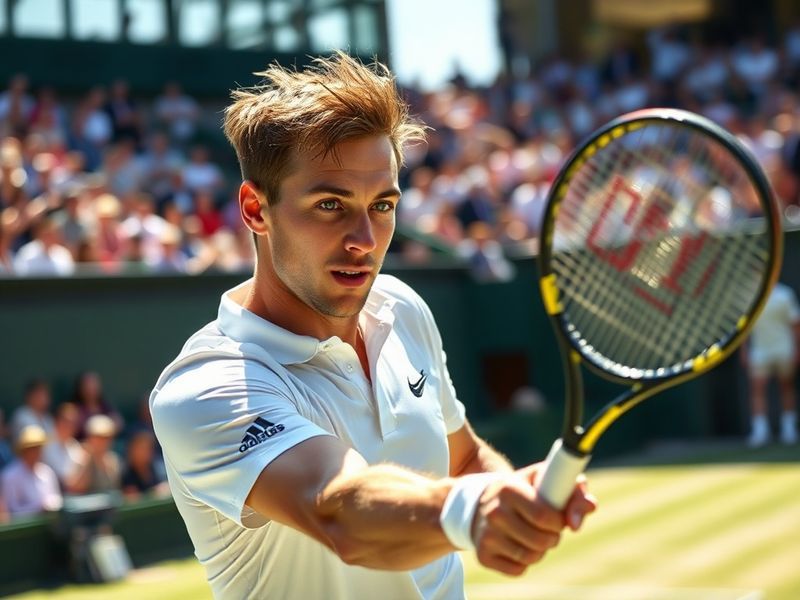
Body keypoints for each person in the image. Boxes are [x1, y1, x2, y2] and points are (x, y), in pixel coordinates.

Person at [150, 52, 596, 600]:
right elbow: (340, 507)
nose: (364, 238)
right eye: (330, 204)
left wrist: (509, 494)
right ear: (255, 210)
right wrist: (471, 512)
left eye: (382, 205)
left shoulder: (402, 307)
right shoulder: (204, 387)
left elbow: (463, 458)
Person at [742, 281, 800, 447]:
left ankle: (789, 430)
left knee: (786, 387)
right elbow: (744, 327)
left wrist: (797, 349)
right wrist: (744, 350)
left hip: (784, 349)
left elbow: (795, 325)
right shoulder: (750, 295)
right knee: (757, 389)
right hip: (759, 351)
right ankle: (760, 432)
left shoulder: (785, 294)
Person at [1, 425, 63, 518]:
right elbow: (11, 511)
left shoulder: (47, 472)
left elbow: (57, 500)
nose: (36, 452)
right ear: (23, 450)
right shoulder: (10, 476)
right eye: (32, 448)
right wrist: (38, 507)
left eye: (39, 447)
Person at [72, 414, 122, 494]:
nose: (103, 442)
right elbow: (76, 488)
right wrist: (89, 460)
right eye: (98, 437)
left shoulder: (113, 460)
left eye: (106, 437)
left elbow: (116, 488)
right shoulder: (79, 458)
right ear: (90, 437)